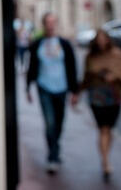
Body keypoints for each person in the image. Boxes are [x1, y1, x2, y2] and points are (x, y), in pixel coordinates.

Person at [74, 29, 121, 182]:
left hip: (114, 95)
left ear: (108, 40)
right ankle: (105, 161)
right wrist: (78, 92)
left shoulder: (117, 54)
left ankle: (106, 156)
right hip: (97, 95)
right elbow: (86, 76)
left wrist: (114, 76)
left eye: (103, 39)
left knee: (109, 128)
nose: (101, 42)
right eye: (98, 39)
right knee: (103, 128)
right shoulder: (91, 56)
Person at [26, 12, 79, 174]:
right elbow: (32, 66)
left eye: (53, 22)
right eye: (48, 22)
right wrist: (27, 87)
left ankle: (55, 147)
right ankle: (53, 156)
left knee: (59, 121)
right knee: (49, 122)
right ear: (44, 24)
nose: (50, 25)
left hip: (61, 87)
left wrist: (74, 91)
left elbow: (71, 67)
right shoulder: (38, 44)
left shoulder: (64, 44)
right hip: (44, 87)